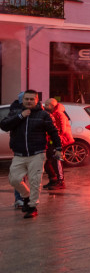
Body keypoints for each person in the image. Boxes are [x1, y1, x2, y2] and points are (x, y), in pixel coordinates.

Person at [2, 90, 60, 218]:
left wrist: (58, 148)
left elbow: (53, 132)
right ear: (22, 101)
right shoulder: (15, 112)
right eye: (26, 99)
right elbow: (4, 126)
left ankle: (32, 206)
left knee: (35, 181)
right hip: (19, 154)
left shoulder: (43, 115)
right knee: (14, 179)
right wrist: (21, 116)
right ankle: (26, 196)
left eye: (31, 99)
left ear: (36, 100)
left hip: (37, 153)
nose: (29, 101)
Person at [42, 97, 73, 190]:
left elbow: (62, 130)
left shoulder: (59, 114)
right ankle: (53, 179)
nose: (45, 106)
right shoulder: (50, 113)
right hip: (52, 140)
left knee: (57, 160)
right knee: (48, 161)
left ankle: (60, 181)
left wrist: (53, 135)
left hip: (60, 140)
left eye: (47, 104)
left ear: (52, 105)